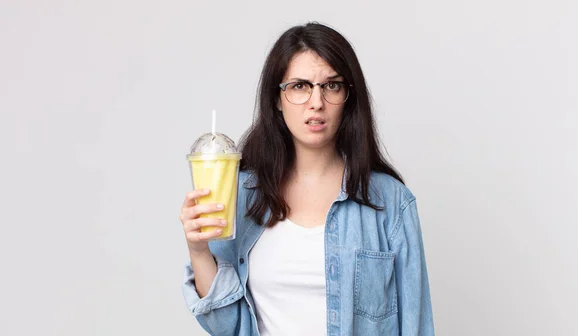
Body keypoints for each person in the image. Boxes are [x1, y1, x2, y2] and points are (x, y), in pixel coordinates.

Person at [179, 22, 434, 336]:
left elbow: (416, 326)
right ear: (277, 98)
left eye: (331, 85)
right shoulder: (242, 196)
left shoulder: (391, 202)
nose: (316, 102)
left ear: (348, 97)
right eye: (299, 86)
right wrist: (200, 251)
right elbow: (226, 325)